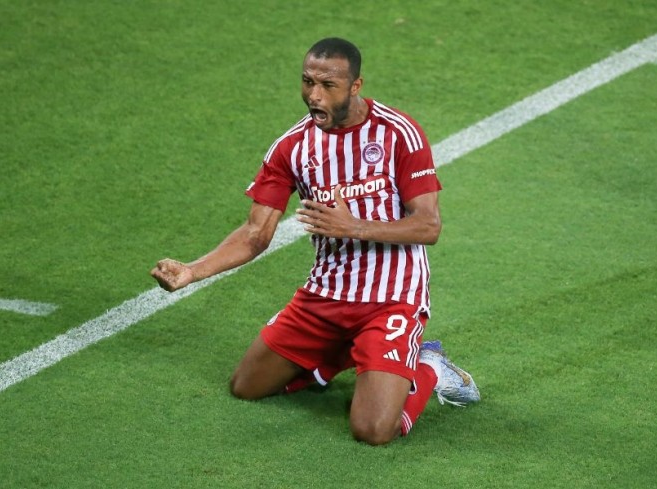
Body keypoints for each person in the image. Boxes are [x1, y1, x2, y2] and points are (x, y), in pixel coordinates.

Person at [151, 37, 479, 445]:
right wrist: (192, 271)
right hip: (324, 296)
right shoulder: (292, 147)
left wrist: (353, 227)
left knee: (373, 430)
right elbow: (255, 234)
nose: (313, 95)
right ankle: (345, 355)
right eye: (307, 82)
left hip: (391, 298)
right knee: (246, 386)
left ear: (355, 86)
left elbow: (428, 226)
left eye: (327, 85)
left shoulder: (398, 133)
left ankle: (428, 366)